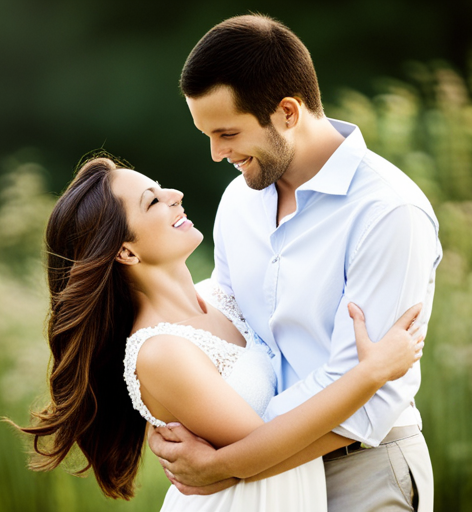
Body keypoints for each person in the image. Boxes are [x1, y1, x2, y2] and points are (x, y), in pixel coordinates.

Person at [11, 155, 424, 511]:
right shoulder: (159, 352)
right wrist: (371, 373)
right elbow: (265, 447)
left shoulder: (220, 296)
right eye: (153, 200)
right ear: (126, 251)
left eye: (161, 188)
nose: (175, 194)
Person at [148, 13, 442, 512]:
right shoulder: (239, 201)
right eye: (207, 136)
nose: (217, 154)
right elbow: (234, 326)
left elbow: (367, 394)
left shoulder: (389, 212)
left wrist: (227, 462)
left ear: (287, 111)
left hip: (360, 470)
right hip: (261, 481)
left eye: (227, 133)